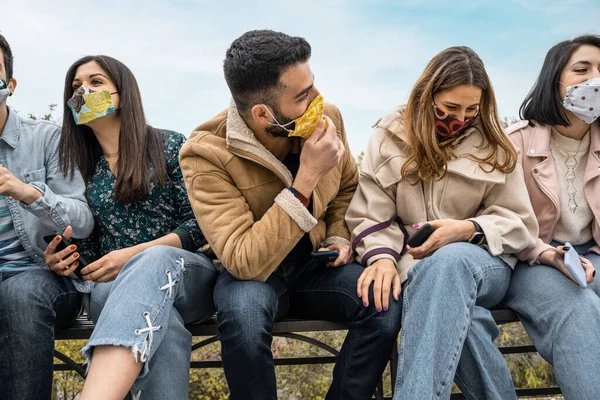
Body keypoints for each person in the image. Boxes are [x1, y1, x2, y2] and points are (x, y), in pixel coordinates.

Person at [179, 30, 402, 400]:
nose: (318, 99)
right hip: (255, 275)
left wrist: (338, 238)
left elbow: (347, 187)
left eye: (313, 86)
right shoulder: (204, 154)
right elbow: (243, 259)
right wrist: (306, 179)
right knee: (245, 322)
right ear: (262, 113)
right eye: (303, 96)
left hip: (316, 265)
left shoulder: (327, 118)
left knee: (382, 303)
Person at [346, 46, 540, 399]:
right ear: (427, 94)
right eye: (451, 108)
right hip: (413, 264)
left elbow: (521, 223)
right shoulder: (387, 136)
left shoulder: (496, 145)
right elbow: (370, 213)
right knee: (466, 324)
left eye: (471, 109)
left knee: (449, 263)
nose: (461, 118)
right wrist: (383, 258)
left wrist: (468, 229)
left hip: (484, 263)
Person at [44, 55, 217, 400]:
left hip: (186, 275)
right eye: (76, 87)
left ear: (123, 93)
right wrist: (64, 258)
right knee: (162, 326)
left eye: (96, 83)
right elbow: (91, 248)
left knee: (154, 261)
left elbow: (200, 226)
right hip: (113, 290)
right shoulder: (80, 167)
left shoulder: (170, 145)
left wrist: (133, 257)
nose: (83, 91)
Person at [503, 34, 600, 399]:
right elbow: (501, 219)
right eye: (582, 69)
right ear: (554, 80)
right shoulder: (514, 142)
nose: (595, 79)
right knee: (578, 305)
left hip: (591, 255)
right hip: (532, 261)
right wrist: (547, 254)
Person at [0, 34, 94, 400]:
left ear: (10, 86)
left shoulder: (46, 139)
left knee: (20, 295)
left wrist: (29, 194)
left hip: (42, 276)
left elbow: (82, 220)